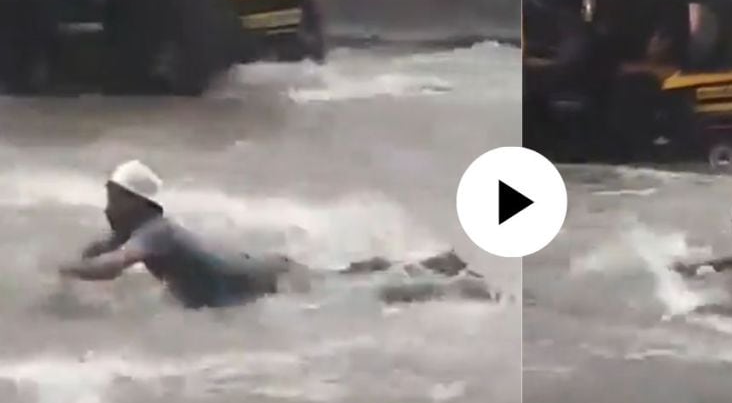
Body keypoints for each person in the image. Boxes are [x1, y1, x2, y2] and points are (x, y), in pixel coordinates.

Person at [58, 160, 496, 308]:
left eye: (113, 196)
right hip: (263, 272)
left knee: (378, 292)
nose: (106, 205)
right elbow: (104, 250)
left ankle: (462, 288)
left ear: (138, 202)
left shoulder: (156, 233)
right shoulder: (140, 228)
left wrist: (64, 268)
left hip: (267, 284)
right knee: (351, 276)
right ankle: (442, 262)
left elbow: (111, 267)